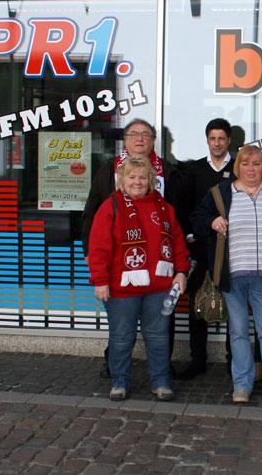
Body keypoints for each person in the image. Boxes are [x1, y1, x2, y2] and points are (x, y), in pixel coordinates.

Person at [191, 145, 262, 404]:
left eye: (257, 163)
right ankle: (242, 384)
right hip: (232, 274)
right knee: (237, 332)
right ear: (238, 167)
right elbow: (197, 218)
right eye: (246, 164)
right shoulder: (221, 192)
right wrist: (212, 222)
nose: (251, 169)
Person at [81, 118, 181, 379]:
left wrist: (181, 267)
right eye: (134, 134)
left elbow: (176, 226)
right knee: (121, 330)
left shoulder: (169, 172)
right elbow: (92, 215)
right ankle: (116, 373)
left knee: (159, 331)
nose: (140, 139)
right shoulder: (107, 171)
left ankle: (161, 371)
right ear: (125, 140)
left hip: (159, 273)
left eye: (146, 135)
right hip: (120, 271)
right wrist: (92, 258)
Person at [88, 155, 190, 402]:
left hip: (159, 287)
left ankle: (161, 381)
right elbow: (98, 247)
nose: (137, 182)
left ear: (151, 180)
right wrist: (100, 281)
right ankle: (120, 381)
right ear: (122, 179)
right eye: (132, 177)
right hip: (121, 289)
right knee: (121, 337)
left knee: (158, 337)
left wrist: (181, 271)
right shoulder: (110, 206)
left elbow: (177, 243)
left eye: (142, 177)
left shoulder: (165, 208)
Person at [175, 118, 235, 380]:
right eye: (213, 138)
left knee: (235, 307)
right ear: (207, 140)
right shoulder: (195, 170)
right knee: (196, 306)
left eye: (222, 138)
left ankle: (235, 360)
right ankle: (197, 360)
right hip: (201, 249)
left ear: (229, 140)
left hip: (233, 251)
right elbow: (184, 205)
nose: (217, 143)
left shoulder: (240, 168)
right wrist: (189, 235)